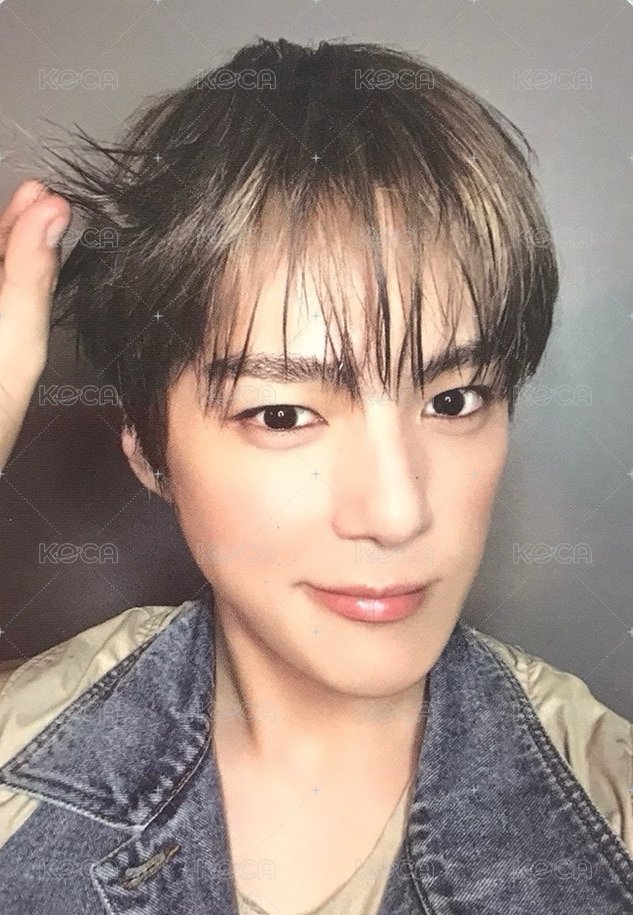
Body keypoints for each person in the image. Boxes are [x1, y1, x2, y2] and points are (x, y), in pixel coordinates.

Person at [0, 37, 631, 915]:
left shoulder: (606, 805)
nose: (397, 512)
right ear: (149, 450)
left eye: (452, 400)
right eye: (283, 415)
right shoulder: (25, 748)